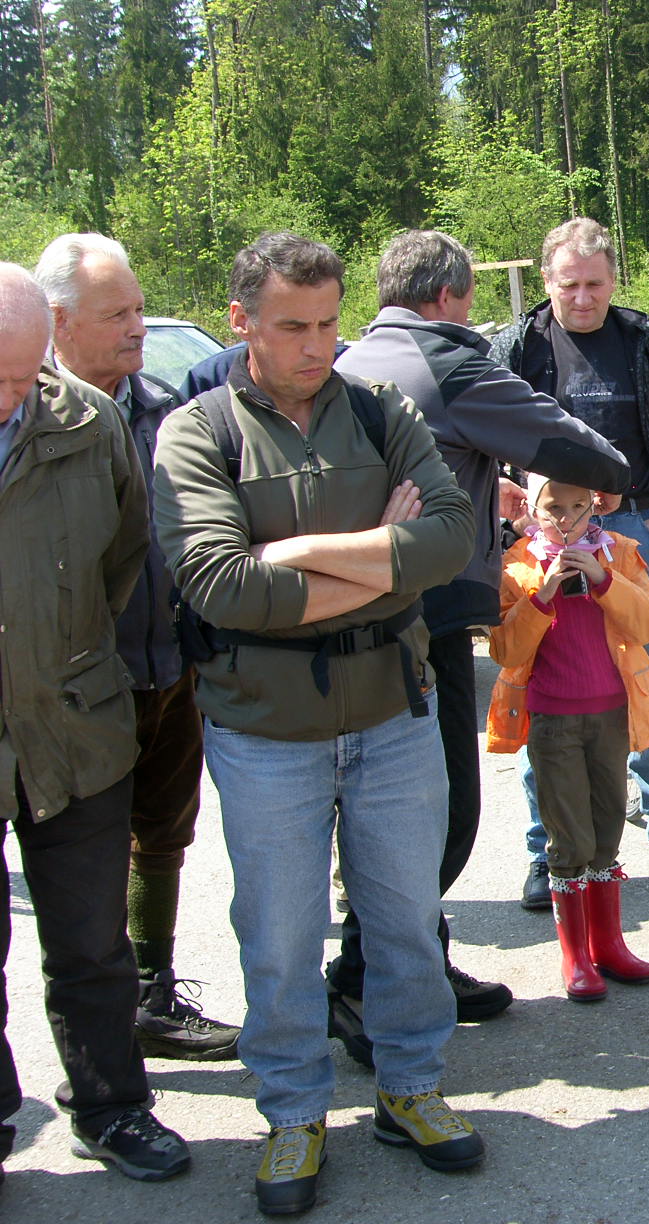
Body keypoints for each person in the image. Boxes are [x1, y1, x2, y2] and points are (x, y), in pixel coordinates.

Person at [153, 232, 483, 1216]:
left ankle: (411, 1087)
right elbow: (221, 586)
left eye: (330, 324)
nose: (317, 346)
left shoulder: (380, 410)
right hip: (265, 731)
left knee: (406, 921)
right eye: (294, 326)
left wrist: (297, 552)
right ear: (241, 321)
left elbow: (450, 540)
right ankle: (294, 1113)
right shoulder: (198, 433)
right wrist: (382, 550)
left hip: (392, 712)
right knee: (280, 937)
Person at [326, 229, 629, 1058]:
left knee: (383, 804)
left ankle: (415, 962)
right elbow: (580, 450)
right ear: (450, 297)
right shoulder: (452, 361)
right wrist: (605, 476)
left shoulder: (353, 361)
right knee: (441, 810)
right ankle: (360, 981)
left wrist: (473, 474)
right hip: (427, 614)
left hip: (348, 611)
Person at [0, 262, 192, 1183]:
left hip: (76, 723)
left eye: (21, 374)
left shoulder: (86, 420)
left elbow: (124, 553)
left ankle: (112, 1108)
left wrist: (64, 653)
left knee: (90, 942)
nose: (10, 397)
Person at [34, 232, 242, 1062]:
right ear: (59, 322)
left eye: (138, 308)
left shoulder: (162, 411)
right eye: (116, 313)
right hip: (83, 682)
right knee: (87, 858)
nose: (136, 326)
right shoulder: (33, 422)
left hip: (171, 666)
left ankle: (152, 993)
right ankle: (106, 1025)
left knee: (164, 833)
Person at [490, 218, 649, 896]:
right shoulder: (517, 346)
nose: (582, 298)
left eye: (594, 284)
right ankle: (547, 847)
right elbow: (485, 435)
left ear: (614, 281)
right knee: (542, 680)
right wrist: (514, 509)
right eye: (569, 285)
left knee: (643, 674)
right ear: (547, 282)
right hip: (544, 533)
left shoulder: (645, 342)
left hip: (633, 528)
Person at [486, 475, 649, 1000]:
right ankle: (576, 955)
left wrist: (604, 581)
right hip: (553, 718)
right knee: (569, 837)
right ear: (533, 508)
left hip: (611, 713)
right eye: (553, 508)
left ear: (596, 507)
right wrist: (542, 594)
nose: (565, 519)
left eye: (577, 507)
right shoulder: (517, 563)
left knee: (608, 827)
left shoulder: (620, 552)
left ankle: (608, 944)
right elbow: (505, 650)